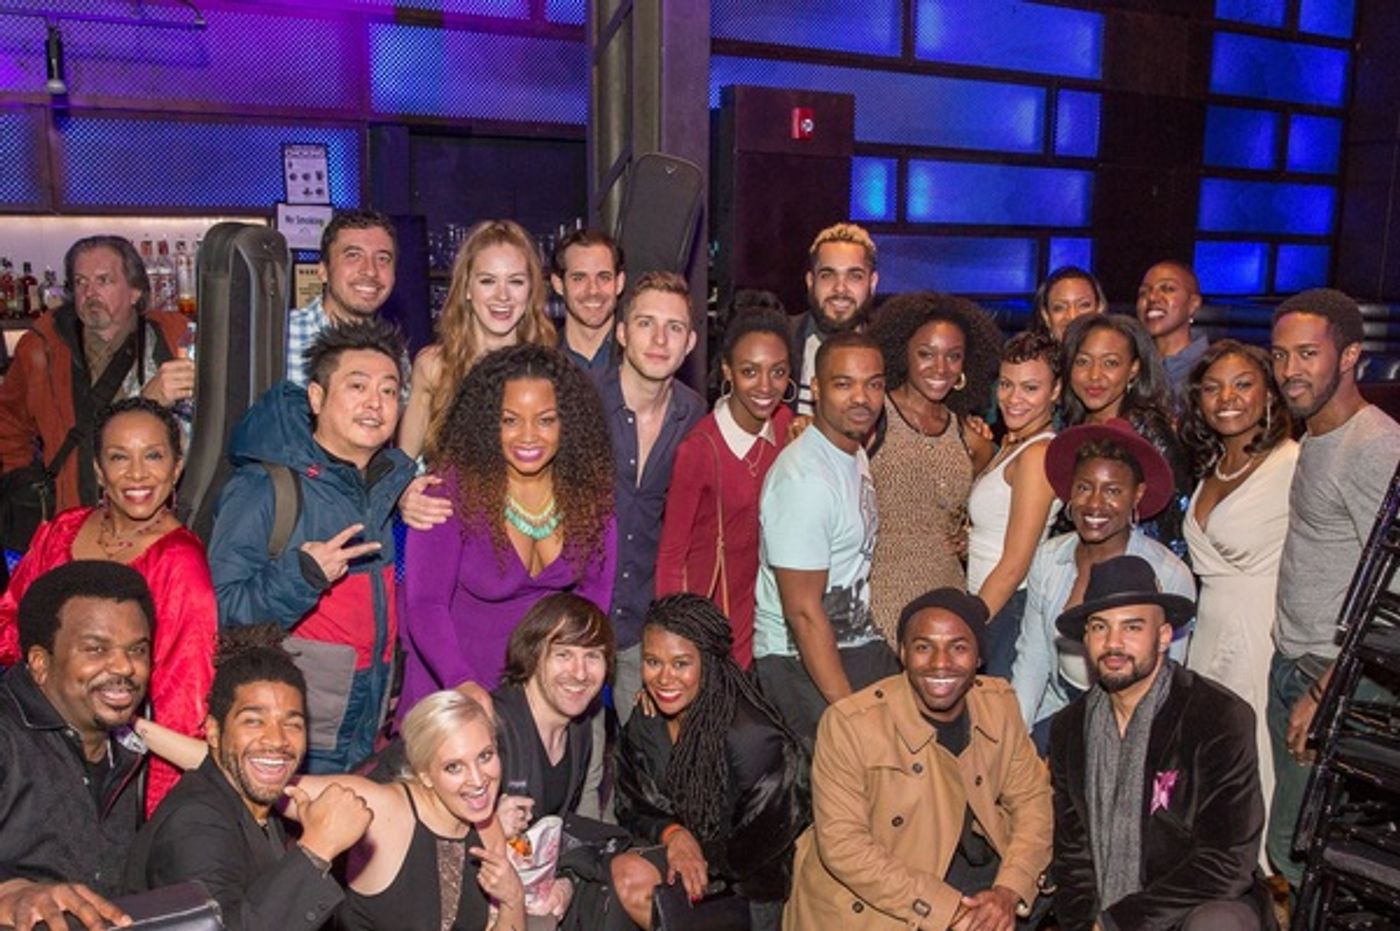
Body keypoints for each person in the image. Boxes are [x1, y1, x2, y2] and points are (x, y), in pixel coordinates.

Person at [209, 319, 417, 773]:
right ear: (317, 398)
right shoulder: (266, 486)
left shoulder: (387, 487)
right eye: (357, 386)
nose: (375, 403)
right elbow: (219, 612)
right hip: (293, 738)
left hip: (369, 732)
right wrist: (302, 576)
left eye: (388, 391)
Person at [142, 689, 527, 931]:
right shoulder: (383, 810)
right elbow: (254, 773)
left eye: (485, 756)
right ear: (425, 773)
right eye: (454, 767)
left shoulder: (486, 824)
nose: (479, 780)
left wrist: (513, 897)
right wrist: (137, 729)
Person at [785, 588, 1053, 930]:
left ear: (979, 657)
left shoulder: (998, 705)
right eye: (924, 647)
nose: (940, 663)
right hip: (880, 892)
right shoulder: (851, 724)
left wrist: (1009, 891)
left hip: (966, 867)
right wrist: (949, 911)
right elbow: (844, 846)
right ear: (903, 653)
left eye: (958, 648)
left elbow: (1033, 801)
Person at [0, 397, 216, 816]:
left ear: (177, 468)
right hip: (28, 740)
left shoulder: (179, 564)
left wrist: (154, 822)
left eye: (153, 456)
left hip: (111, 765)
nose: (137, 473)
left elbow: (181, 704)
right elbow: (10, 621)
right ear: (99, 470)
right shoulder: (62, 530)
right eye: (119, 457)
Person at [1050, 555, 1271, 931]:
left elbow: (1228, 861)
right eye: (1100, 627)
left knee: (1219, 924)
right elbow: (1073, 858)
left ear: (1164, 636)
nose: (1113, 643)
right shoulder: (1069, 728)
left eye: (1132, 627)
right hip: (1104, 917)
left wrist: (1120, 923)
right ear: (1086, 638)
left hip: (1191, 909)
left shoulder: (1216, 716)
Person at [1266, 288, 1400, 890]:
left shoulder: (1374, 446)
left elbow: (1394, 595)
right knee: (1297, 849)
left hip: (1334, 675)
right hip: (1298, 661)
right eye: (1280, 355)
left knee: (1303, 852)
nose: (1290, 370)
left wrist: (1329, 687)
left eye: (1307, 354)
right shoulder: (1318, 436)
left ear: (1349, 356)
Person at [399, 343, 616, 710]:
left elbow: (594, 599)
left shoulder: (587, 498)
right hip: (455, 695)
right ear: (488, 423)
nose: (528, 436)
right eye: (510, 420)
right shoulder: (451, 492)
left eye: (545, 420)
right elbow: (425, 604)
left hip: (546, 700)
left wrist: (568, 680)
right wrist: (461, 682)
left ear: (568, 423)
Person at [124, 626, 373, 931]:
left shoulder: (257, 807)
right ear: (214, 732)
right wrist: (317, 848)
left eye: (292, 724)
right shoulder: (196, 823)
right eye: (254, 721)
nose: (277, 740)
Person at [610, 594, 810, 931]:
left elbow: (760, 842)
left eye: (681, 664)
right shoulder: (648, 720)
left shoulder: (751, 736)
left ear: (709, 663)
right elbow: (631, 802)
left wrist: (696, 855)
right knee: (620, 875)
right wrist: (673, 834)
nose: (664, 678)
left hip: (745, 889)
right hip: (680, 863)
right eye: (653, 662)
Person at [753, 331, 900, 745]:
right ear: (816, 389)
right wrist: (847, 710)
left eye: (873, 384)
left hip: (853, 639)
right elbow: (802, 611)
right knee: (848, 771)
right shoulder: (804, 480)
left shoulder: (852, 452)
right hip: (797, 657)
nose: (861, 398)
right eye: (844, 384)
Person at [1012, 419, 1194, 750]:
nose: (1094, 504)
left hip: (1133, 721)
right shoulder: (1050, 558)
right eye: (1084, 488)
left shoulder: (1168, 575)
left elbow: (1168, 683)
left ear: (1137, 495)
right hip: (1058, 709)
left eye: (1112, 491)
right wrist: (1014, 745)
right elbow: (1033, 659)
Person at [1179, 340, 1298, 832]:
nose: (1227, 397)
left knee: (1254, 763)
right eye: (1213, 388)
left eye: (1243, 384)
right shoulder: (1211, 467)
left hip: (1260, 635)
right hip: (1207, 633)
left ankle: (1262, 870)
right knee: (1206, 766)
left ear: (1268, 394)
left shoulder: (1293, 463)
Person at [0, 561, 154, 931]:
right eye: (96, 649)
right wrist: (8, 890)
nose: (125, 667)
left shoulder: (128, 747)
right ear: (40, 663)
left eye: (137, 650)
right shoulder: (7, 737)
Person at [0, 235, 192, 530]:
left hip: (159, 518)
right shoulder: (43, 347)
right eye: (80, 282)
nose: (89, 293)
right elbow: (8, 424)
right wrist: (25, 485)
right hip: (75, 520)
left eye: (103, 280)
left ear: (135, 291)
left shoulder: (174, 337)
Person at [655, 304, 795, 667]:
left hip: (768, 621)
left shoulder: (786, 425)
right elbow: (671, 556)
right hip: (712, 621)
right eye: (750, 371)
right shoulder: (700, 450)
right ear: (728, 371)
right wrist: (675, 641)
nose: (765, 386)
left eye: (778, 372)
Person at [594, 271, 705, 725]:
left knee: (652, 751)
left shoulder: (695, 415)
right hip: (577, 617)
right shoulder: (581, 402)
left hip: (645, 624)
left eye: (673, 327)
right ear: (622, 332)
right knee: (575, 756)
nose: (660, 339)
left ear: (690, 342)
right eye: (646, 323)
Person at [866, 291, 998, 642]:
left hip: (947, 594)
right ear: (902, 353)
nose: (940, 369)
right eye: (926, 354)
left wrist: (970, 534)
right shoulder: (873, 416)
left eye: (953, 356)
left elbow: (989, 509)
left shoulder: (971, 438)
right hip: (880, 596)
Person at [400, 219, 557, 460]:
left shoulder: (549, 370)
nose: (502, 295)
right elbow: (403, 467)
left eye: (516, 281)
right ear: (467, 288)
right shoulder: (434, 367)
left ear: (530, 290)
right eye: (487, 281)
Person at [967, 331, 1063, 678]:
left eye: (1030, 388)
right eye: (1006, 384)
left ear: (1056, 391)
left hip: (1006, 607)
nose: (1013, 398)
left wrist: (971, 623)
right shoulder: (1014, 444)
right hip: (990, 602)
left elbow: (1015, 564)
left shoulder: (1039, 454)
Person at [1060, 313, 1192, 558]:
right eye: (1083, 362)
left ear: (1133, 369)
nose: (1094, 375)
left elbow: (1175, 526)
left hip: (1141, 569)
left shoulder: (1147, 430)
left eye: (1110, 363)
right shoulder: (1070, 427)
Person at [286, 209, 398, 386]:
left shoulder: (396, 352)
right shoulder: (283, 337)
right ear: (323, 271)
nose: (370, 271)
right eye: (353, 256)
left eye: (383, 259)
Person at [792, 222, 879, 415]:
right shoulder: (782, 340)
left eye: (854, 276)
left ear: (872, 283)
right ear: (810, 281)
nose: (840, 288)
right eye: (828, 275)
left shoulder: (890, 351)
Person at [551, 228, 625, 372]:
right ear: (558, 285)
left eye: (604, 278)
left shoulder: (641, 357)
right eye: (579, 278)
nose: (593, 290)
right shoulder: (540, 362)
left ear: (620, 283)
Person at [1136, 261, 1210, 396]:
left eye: (1167, 289)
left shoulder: (1212, 367)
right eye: (1143, 292)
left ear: (1193, 304)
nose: (1152, 297)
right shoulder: (1131, 364)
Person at [1029, 265, 1107, 342]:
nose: (1072, 316)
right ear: (1046, 317)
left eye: (1083, 305)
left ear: (1099, 309)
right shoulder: (1028, 349)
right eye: (1059, 308)